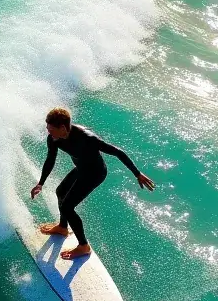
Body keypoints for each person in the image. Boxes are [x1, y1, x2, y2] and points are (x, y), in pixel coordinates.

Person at [31, 107, 155, 260]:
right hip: (81, 168)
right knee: (60, 192)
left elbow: (117, 152)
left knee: (67, 206)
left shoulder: (87, 138)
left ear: (62, 128)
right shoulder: (54, 139)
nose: (48, 132)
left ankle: (83, 246)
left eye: (50, 129)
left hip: (95, 174)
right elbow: (50, 160)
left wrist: (137, 173)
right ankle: (63, 227)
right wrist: (41, 183)